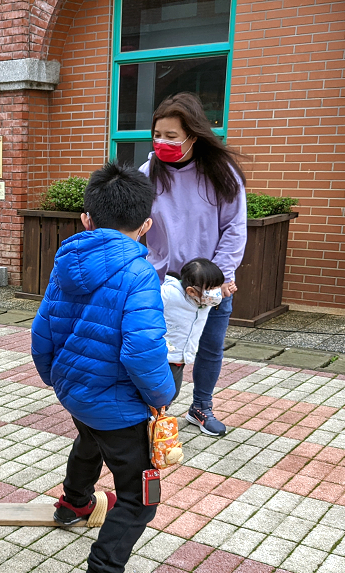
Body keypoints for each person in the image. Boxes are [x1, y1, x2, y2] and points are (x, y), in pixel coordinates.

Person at [31, 160, 176, 573]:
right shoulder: (139, 274)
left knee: (89, 438)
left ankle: (74, 502)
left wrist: (57, 377)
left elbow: (42, 330)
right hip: (118, 403)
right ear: (146, 225)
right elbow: (143, 349)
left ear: (86, 219)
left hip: (75, 390)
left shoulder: (66, 264)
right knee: (139, 496)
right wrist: (162, 396)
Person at [139, 92, 246, 437]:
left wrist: (217, 280)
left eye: (171, 136)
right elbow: (131, 224)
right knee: (165, 351)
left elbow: (234, 228)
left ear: (193, 136)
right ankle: (158, 413)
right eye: (157, 135)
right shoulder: (148, 173)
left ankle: (201, 407)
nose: (162, 142)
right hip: (165, 285)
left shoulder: (220, 173)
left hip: (212, 284)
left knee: (210, 348)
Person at [162, 258, 225, 403]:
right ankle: (148, 421)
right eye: (211, 289)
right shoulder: (169, 294)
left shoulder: (204, 300)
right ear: (191, 291)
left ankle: (157, 421)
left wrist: (227, 287)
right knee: (160, 395)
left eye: (218, 287)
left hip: (180, 358)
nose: (216, 293)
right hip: (162, 357)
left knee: (172, 393)